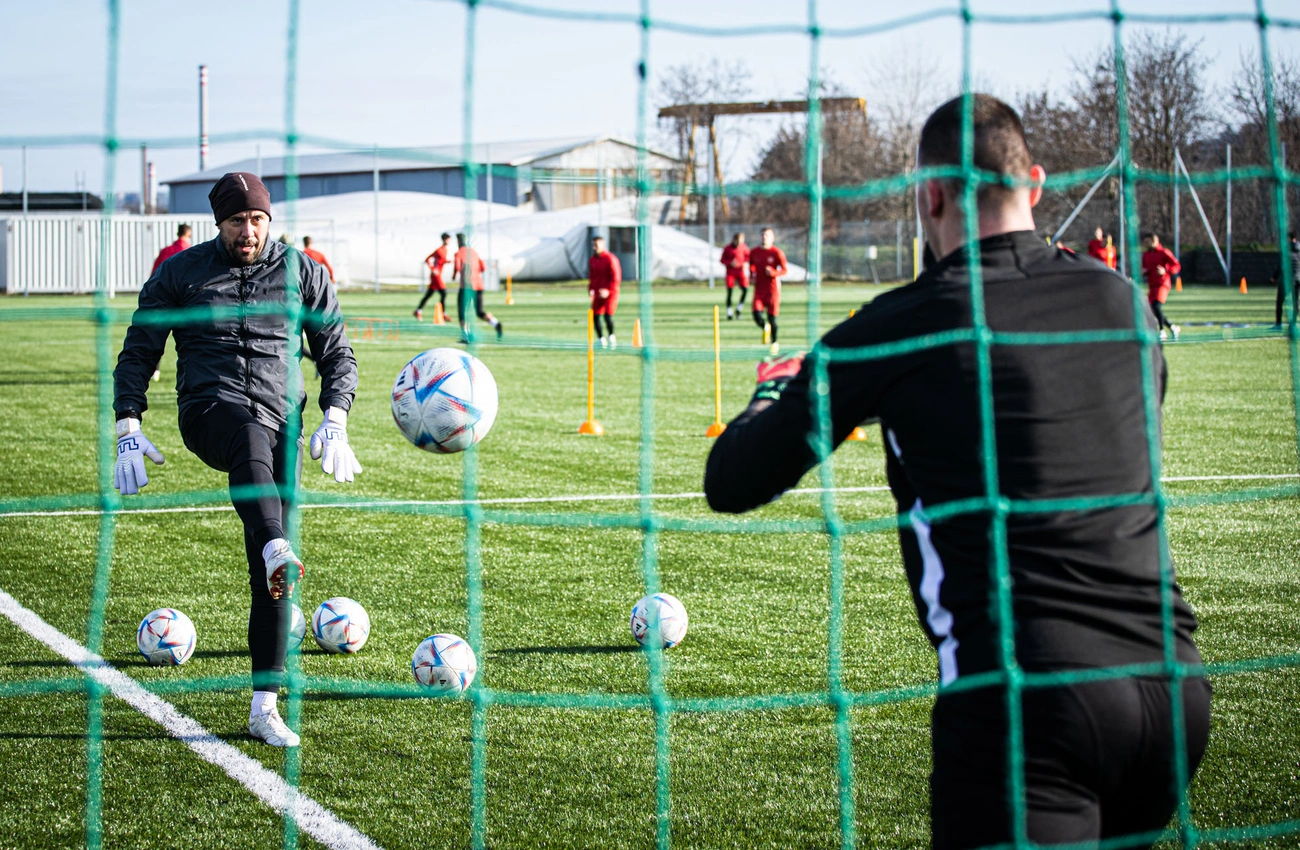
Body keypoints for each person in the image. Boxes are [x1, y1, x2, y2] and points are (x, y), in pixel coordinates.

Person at [704, 94, 1210, 849]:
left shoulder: (896, 327)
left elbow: (732, 480)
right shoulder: (1122, 303)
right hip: (1175, 693)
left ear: (929, 196)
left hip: (1029, 706)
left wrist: (773, 389)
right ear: (1033, 186)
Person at [112, 171, 361, 749]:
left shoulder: (305, 273)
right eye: (235, 221)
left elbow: (336, 352)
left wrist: (336, 415)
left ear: (269, 221)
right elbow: (138, 351)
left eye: (256, 220)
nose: (247, 231)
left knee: (271, 578)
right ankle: (278, 542)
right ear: (217, 223)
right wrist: (129, 423)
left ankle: (264, 707)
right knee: (249, 438)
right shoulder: (179, 273)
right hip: (209, 412)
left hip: (285, 422)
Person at [454, 233, 502, 340]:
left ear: (458, 241)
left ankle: (466, 336)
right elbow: (483, 267)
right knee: (479, 312)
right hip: (479, 285)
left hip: (467, 286)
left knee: (462, 312)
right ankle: (496, 323)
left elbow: (457, 267)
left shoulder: (458, 253)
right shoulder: (473, 252)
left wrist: (456, 275)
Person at [748, 228, 788, 356]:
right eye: (763, 235)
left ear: (772, 238)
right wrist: (752, 275)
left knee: (772, 319)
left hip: (772, 290)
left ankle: (774, 343)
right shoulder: (754, 252)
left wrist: (773, 273)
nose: (764, 237)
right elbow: (751, 265)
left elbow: (784, 270)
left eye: (767, 235)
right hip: (759, 289)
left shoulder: (777, 253)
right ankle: (765, 327)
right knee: (756, 315)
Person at [1141, 232, 1181, 340]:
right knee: (1152, 309)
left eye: (1147, 242)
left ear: (1154, 241)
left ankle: (1162, 330)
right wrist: (1144, 272)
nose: (1145, 244)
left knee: (1156, 306)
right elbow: (1145, 268)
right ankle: (1172, 327)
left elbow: (1176, 265)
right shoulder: (1146, 255)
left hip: (1162, 284)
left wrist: (1165, 271)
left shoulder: (1164, 252)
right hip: (1152, 285)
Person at [588, 235, 622, 348]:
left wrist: (608, 291)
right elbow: (592, 277)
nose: (594, 247)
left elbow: (616, 278)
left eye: (596, 245)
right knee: (595, 316)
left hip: (610, 293)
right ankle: (601, 339)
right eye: (593, 245)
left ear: (603, 245)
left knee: (608, 316)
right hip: (598, 292)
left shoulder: (610, 259)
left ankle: (611, 336)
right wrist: (591, 290)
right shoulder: (592, 260)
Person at [416, 233, 453, 321]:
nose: (449, 241)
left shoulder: (445, 250)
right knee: (444, 293)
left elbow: (440, 261)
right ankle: (444, 314)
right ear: (444, 240)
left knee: (429, 294)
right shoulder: (439, 250)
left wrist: (447, 262)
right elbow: (427, 259)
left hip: (438, 275)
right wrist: (432, 269)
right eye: (448, 239)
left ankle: (418, 311)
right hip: (436, 276)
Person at [1269, 231, 1299, 328]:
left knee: (1279, 302)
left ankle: (1278, 324)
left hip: (1286, 280)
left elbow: (1281, 266)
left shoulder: (1286, 250)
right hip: (1298, 279)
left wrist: (1274, 277)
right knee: (1295, 303)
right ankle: (1293, 324)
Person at [721, 232, 750, 320]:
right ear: (734, 240)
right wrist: (730, 263)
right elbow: (722, 260)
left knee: (745, 290)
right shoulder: (727, 248)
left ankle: (739, 309)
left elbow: (748, 257)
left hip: (740, 272)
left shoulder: (744, 247)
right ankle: (729, 312)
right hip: (730, 273)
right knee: (730, 292)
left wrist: (746, 263)